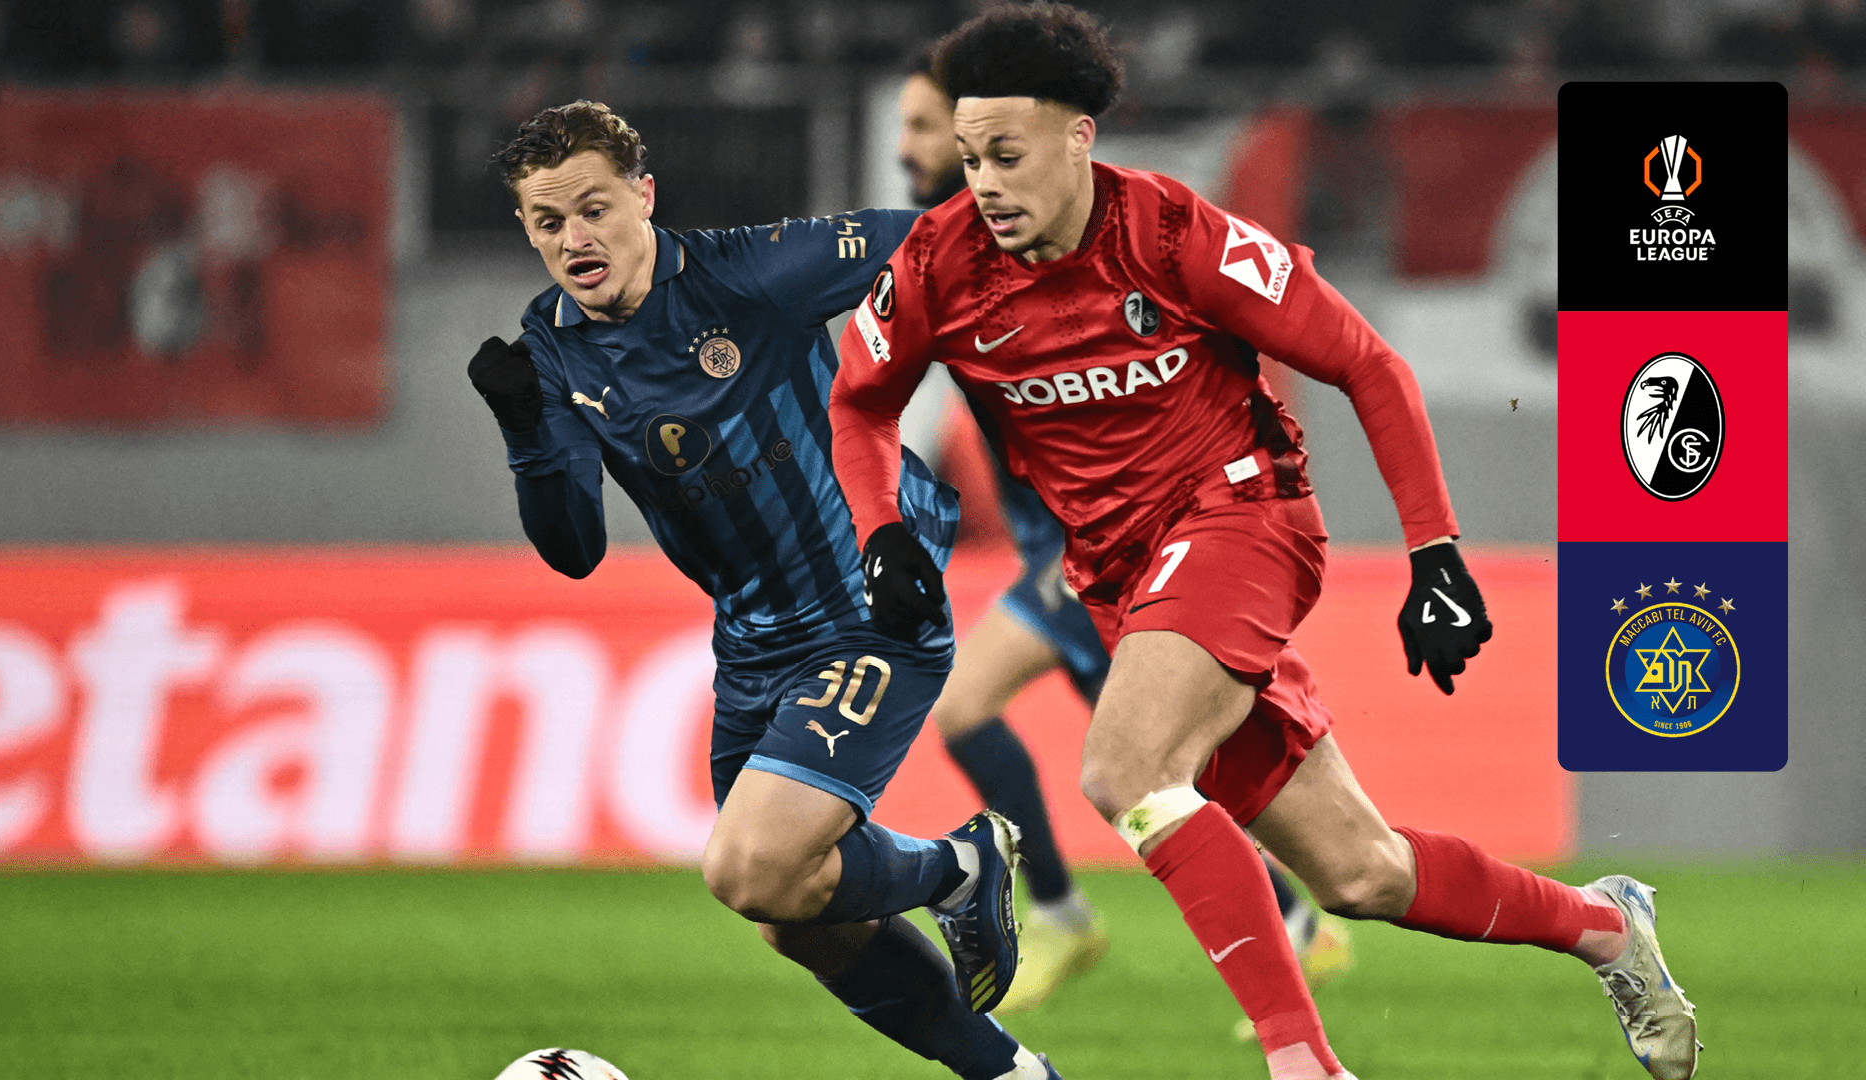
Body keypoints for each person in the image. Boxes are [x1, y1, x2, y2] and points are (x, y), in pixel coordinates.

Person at [830, 8, 1699, 1080]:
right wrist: (880, 530)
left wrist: (1434, 551)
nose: (986, 185)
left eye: (1006, 155)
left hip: (1242, 516)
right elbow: (859, 402)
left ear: (1078, 137)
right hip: (1119, 577)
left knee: (1127, 767)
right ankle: (1606, 927)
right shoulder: (939, 264)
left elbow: (1368, 363)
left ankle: (1302, 1064)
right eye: (970, 160)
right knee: (1361, 873)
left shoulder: (1171, 234)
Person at [466, 99, 1062, 1080]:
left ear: (644, 196)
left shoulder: (751, 272)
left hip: (869, 604)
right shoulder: (554, 345)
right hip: (751, 647)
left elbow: (931, 240)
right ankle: (1015, 1075)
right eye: (548, 221)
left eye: (595, 209)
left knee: (751, 868)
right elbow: (573, 548)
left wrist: (1043, 309)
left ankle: (959, 867)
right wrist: (527, 431)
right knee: (794, 914)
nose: (576, 239)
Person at [897, 45, 1352, 1017]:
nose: (911, 147)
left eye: (926, 128)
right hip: (1059, 552)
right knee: (1085, 745)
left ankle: (1274, 932)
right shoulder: (942, 256)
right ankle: (1097, 915)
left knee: (1141, 767)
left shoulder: (1067, 243)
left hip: (1111, 548)